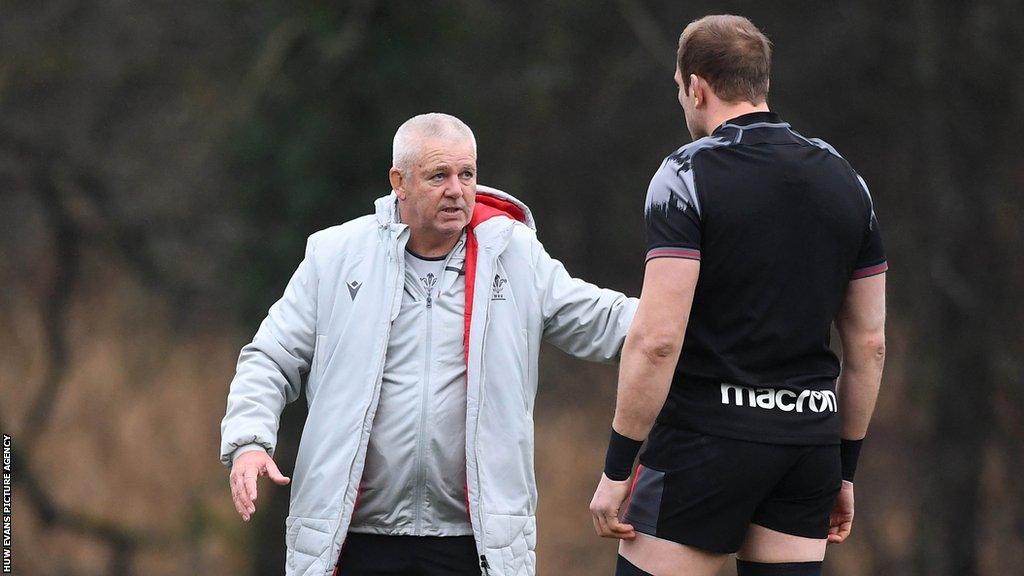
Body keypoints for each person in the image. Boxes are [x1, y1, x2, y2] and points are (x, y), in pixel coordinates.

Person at [221, 113, 637, 576]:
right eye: (439, 175)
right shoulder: (336, 255)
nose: (457, 190)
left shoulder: (514, 256)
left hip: (475, 543)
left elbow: (607, 321)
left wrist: (690, 312)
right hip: (350, 537)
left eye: (467, 174)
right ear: (398, 181)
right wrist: (249, 441)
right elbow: (269, 358)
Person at [588, 15, 887, 576]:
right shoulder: (846, 180)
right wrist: (843, 469)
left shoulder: (686, 174)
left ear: (696, 86)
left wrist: (617, 469)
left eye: (679, 90)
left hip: (704, 444)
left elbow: (655, 340)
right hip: (807, 447)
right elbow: (869, 345)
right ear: (760, 83)